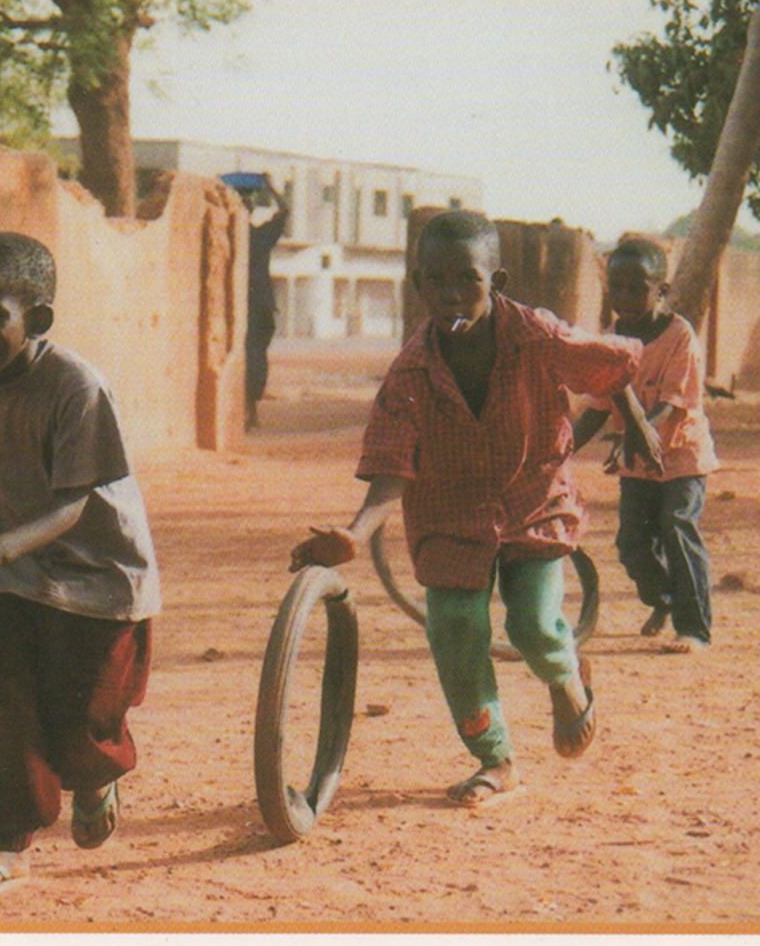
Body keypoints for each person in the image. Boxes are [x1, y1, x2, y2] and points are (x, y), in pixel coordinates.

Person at [290, 210, 663, 807]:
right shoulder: (410, 373)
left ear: (498, 280)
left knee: (534, 626)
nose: (451, 295)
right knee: (456, 632)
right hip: (449, 515)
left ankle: (567, 681)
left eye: (467, 279)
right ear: (418, 286)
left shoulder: (536, 336)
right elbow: (391, 466)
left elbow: (606, 363)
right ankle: (497, 760)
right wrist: (357, 535)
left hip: (532, 498)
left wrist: (638, 424)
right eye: (434, 282)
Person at [0, 231, 160, 901]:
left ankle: (95, 776)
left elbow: (74, 503)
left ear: (37, 320)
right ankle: (6, 844)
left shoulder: (73, 385)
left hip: (100, 580)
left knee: (84, 726)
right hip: (18, 579)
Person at [572, 237, 718, 654]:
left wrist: (633, 435)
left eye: (636, 288)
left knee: (677, 525)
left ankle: (693, 629)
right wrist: (560, 449)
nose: (625, 298)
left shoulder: (679, 337)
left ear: (661, 290)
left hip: (681, 455)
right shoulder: (611, 340)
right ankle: (663, 601)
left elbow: (672, 405)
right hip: (636, 460)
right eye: (616, 288)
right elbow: (598, 408)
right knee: (632, 544)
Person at [237, 173, 290, 429]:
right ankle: (251, 410)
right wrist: (271, 188)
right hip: (259, 305)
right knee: (255, 357)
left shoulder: (252, 237)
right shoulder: (260, 236)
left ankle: (250, 410)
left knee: (251, 357)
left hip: (252, 306)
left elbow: (286, 211)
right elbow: (285, 209)